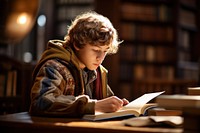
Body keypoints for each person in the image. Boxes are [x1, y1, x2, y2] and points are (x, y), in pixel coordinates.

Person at [29, 11, 129, 117]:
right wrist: (94, 106)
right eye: (95, 49)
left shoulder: (97, 71)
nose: (101, 57)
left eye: (105, 51)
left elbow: (105, 102)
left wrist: (117, 104)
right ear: (77, 43)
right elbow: (41, 102)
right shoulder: (55, 67)